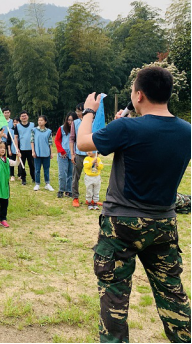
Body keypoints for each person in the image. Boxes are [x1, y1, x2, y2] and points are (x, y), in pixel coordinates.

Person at [77, 66, 191, 343]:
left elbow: (83, 142)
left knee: (114, 300)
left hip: (121, 226)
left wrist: (90, 112)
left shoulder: (126, 127)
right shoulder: (186, 131)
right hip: (164, 223)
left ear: (138, 95)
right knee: (173, 297)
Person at [0, 130, 20, 228]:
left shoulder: (7, 160)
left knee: (4, 203)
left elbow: (16, 164)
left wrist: (18, 157)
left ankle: (3, 219)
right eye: (0, 148)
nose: (2, 149)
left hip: (5, 185)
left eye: (4, 148)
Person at [55, 112, 77, 198]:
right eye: (69, 120)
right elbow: (57, 140)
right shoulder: (62, 128)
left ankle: (69, 190)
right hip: (63, 153)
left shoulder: (77, 129)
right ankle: (61, 190)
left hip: (73, 153)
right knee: (62, 173)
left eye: (72, 120)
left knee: (71, 173)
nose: (70, 122)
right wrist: (61, 151)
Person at [31, 115, 54, 192]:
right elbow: (32, 141)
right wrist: (33, 151)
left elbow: (50, 143)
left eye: (41, 120)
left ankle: (47, 184)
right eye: (39, 120)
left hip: (46, 153)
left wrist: (51, 153)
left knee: (46, 169)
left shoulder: (49, 131)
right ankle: (37, 184)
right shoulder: (34, 130)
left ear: (45, 122)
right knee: (37, 169)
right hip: (37, 153)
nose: (40, 121)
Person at [70, 103, 86, 207]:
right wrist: (72, 153)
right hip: (79, 154)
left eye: (80, 111)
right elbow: (72, 138)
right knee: (76, 176)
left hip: (91, 154)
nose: (78, 113)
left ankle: (92, 198)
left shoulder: (93, 122)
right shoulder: (75, 123)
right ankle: (75, 197)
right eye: (77, 111)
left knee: (92, 177)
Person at [13, 111, 35, 186]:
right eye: (22, 116)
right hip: (22, 149)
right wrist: (16, 148)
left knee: (32, 164)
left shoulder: (32, 125)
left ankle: (34, 178)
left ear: (27, 116)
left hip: (31, 149)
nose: (24, 117)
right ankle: (23, 179)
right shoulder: (17, 126)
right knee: (22, 165)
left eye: (25, 116)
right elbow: (15, 137)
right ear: (20, 118)